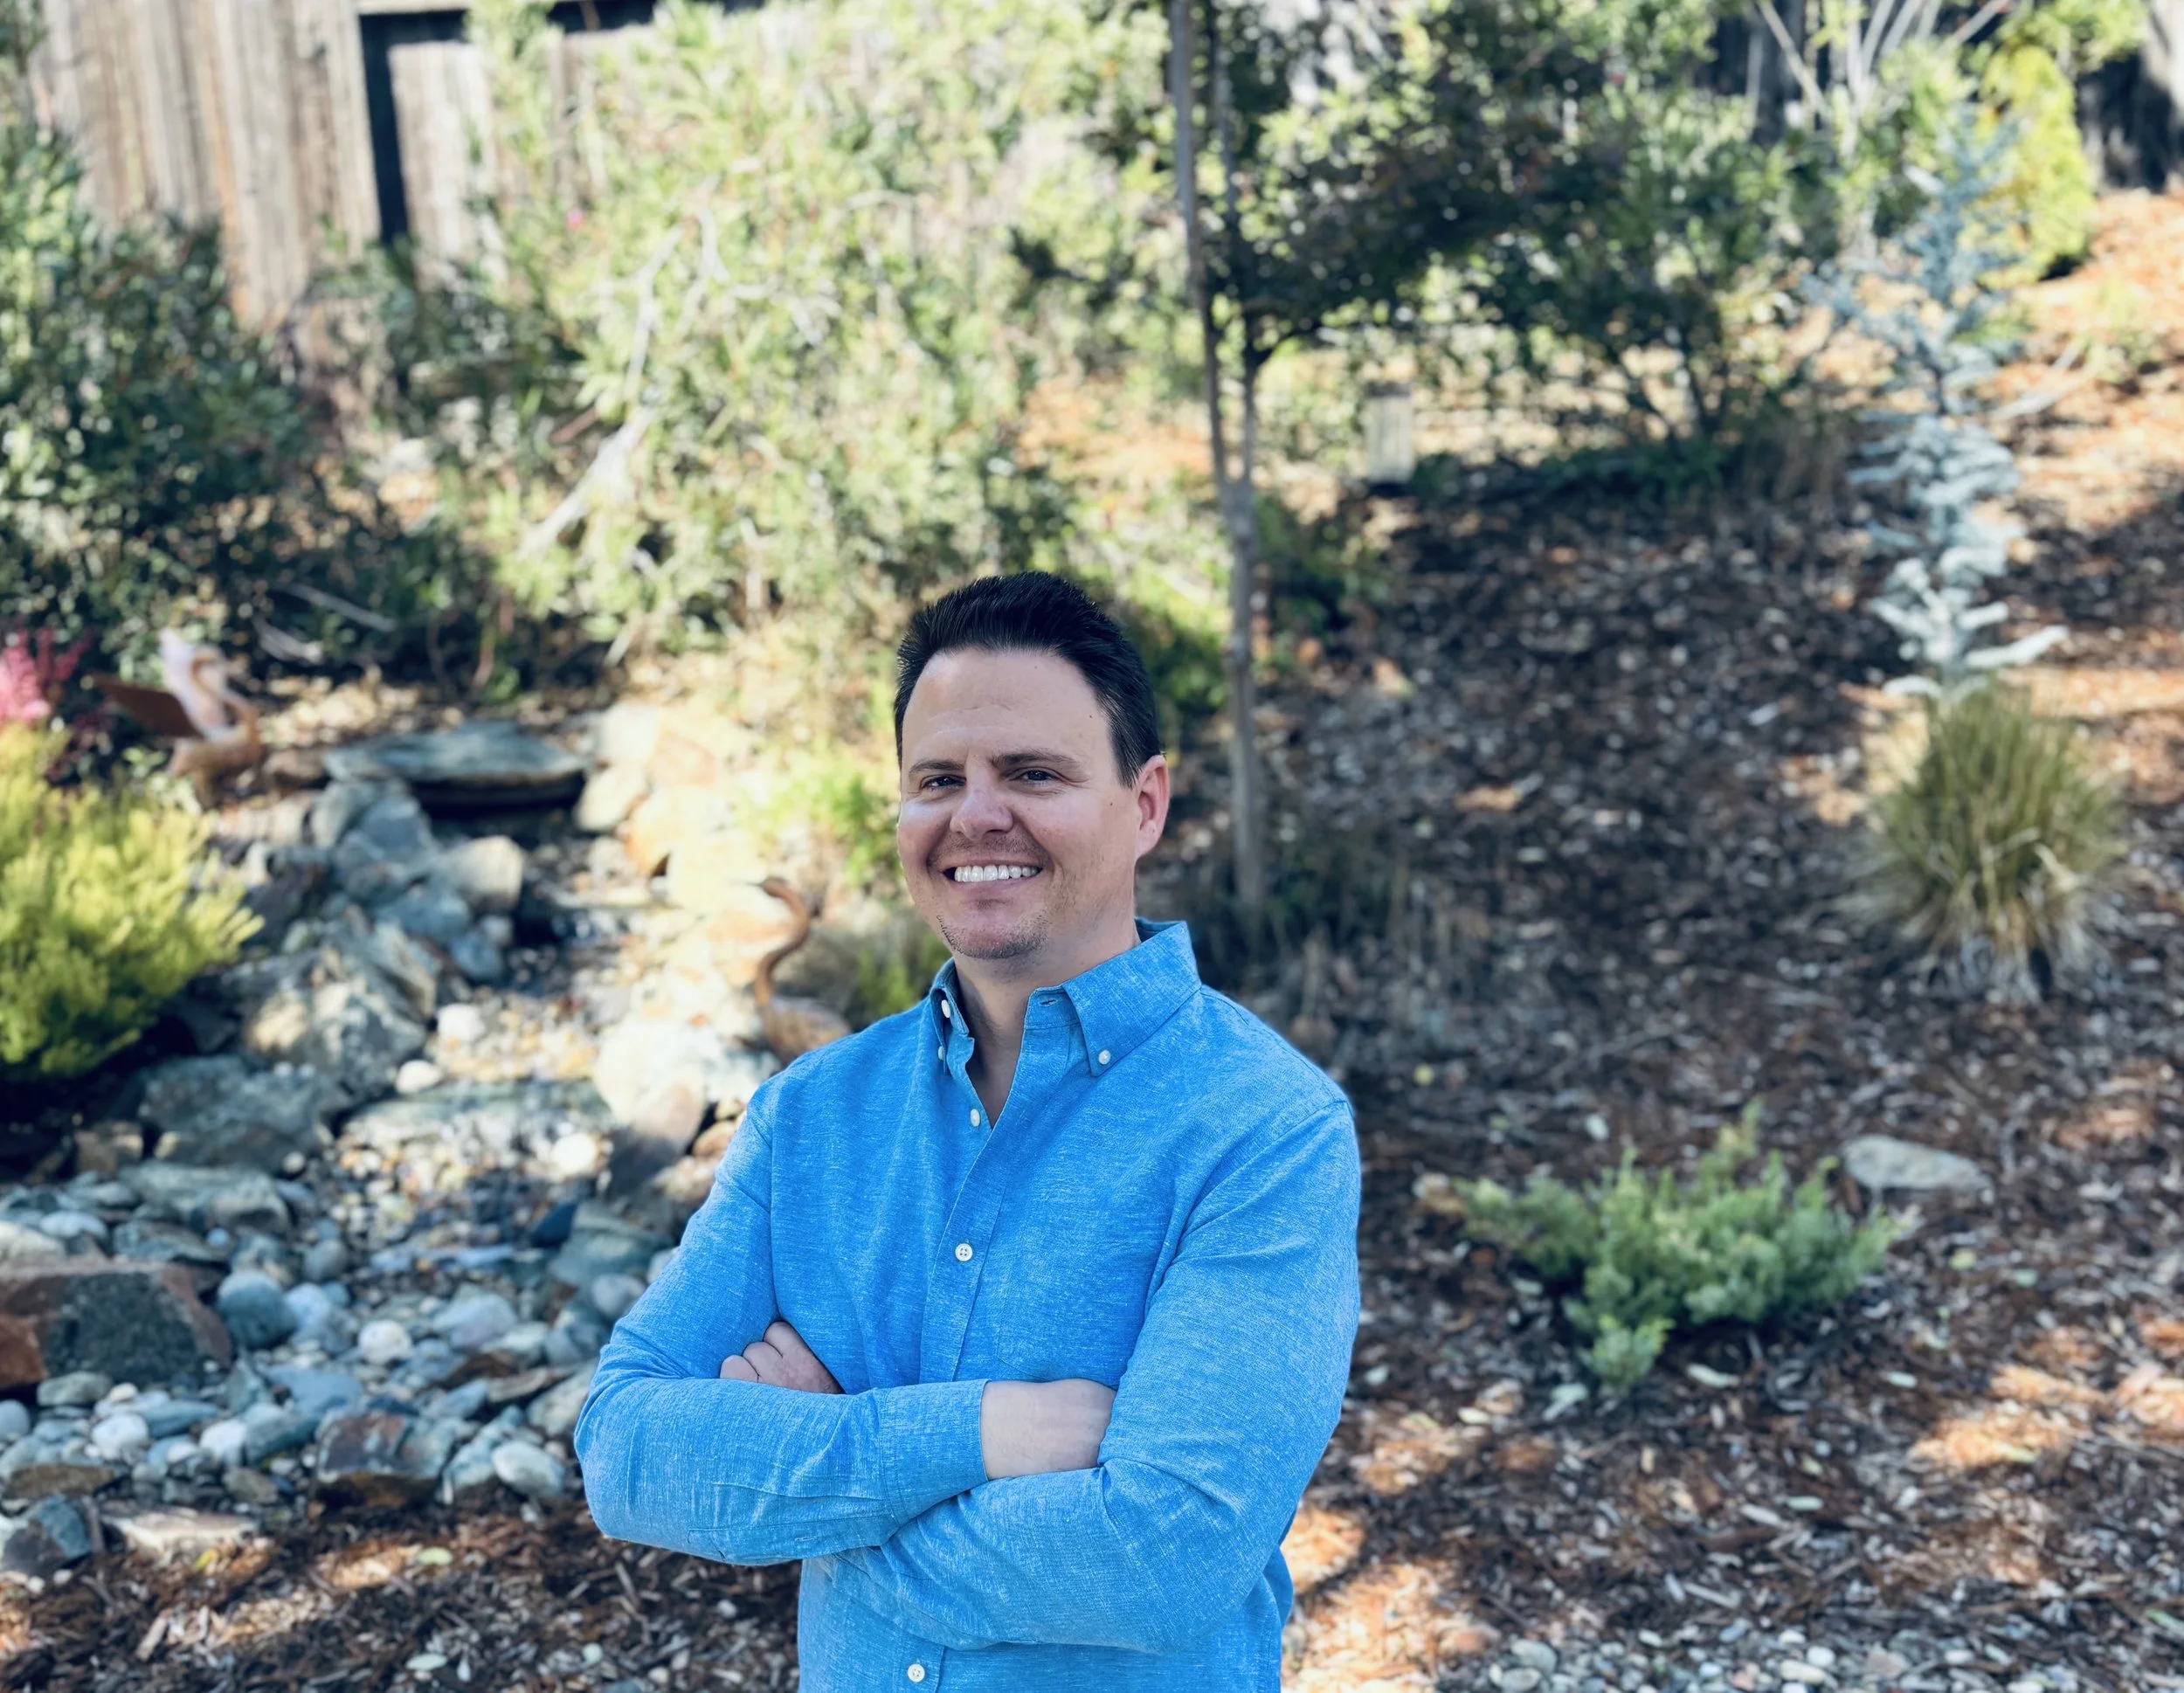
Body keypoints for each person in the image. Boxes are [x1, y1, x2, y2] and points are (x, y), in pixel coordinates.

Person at [576, 571, 1361, 1690]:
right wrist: (979, 1434)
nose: (975, 815)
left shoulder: (1264, 1132)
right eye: (937, 778)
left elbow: (1160, 1557)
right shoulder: (812, 1116)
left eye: (1033, 774)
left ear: (1145, 804)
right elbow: (626, 1450)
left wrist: (817, 1493)